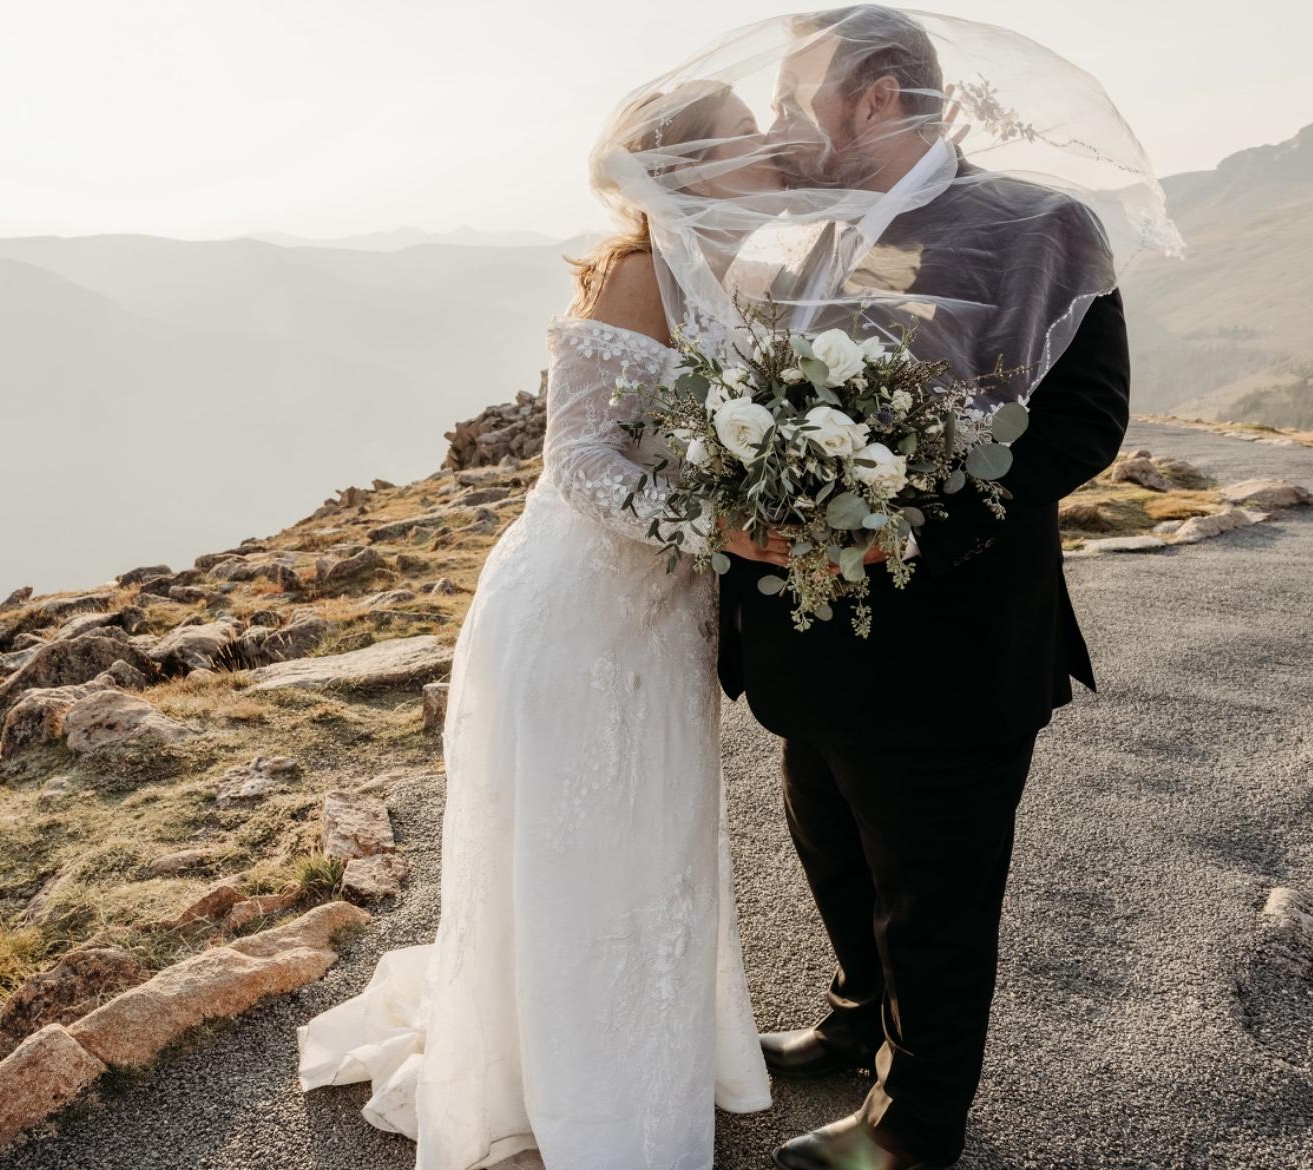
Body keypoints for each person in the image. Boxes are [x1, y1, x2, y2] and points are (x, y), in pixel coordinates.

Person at [294, 82, 777, 1170]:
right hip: (582, 612)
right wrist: (727, 530)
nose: (771, 145)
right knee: (586, 849)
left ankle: (657, 1056)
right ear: (689, 165)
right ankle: (583, 1096)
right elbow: (580, 463)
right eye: (746, 134)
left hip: (662, 616)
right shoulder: (640, 274)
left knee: (656, 838)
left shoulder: (731, 276)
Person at [715, 8, 1136, 1169]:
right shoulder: (801, 244)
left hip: (950, 639)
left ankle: (917, 1123)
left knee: (934, 899)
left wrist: (902, 537)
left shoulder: (1041, 227)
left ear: (880, 97)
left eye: (799, 100)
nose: (779, 130)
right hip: (810, 644)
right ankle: (858, 1023)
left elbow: (1083, 427)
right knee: (835, 851)